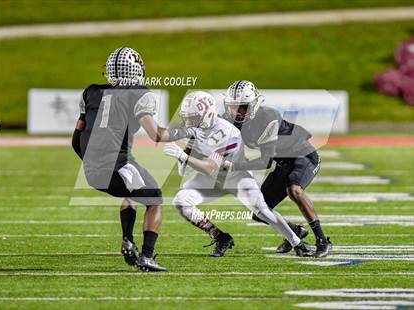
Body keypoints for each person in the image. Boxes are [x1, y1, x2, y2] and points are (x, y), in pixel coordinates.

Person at [71, 47, 191, 271]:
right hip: (119, 165)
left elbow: (76, 139)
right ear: (136, 70)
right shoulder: (138, 93)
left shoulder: (90, 92)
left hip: (92, 172)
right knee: (155, 200)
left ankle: (128, 240)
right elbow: (157, 134)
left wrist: (91, 164)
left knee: (131, 191)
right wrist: (185, 131)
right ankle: (146, 256)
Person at [163, 90, 314, 257]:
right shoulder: (197, 131)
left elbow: (210, 166)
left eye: (193, 117)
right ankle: (220, 237)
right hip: (212, 179)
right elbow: (184, 170)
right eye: (188, 118)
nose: (189, 122)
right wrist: (188, 149)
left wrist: (183, 155)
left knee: (262, 211)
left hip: (236, 177)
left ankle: (297, 242)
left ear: (206, 115)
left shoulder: (228, 131)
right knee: (181, 201)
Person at [223, 80, 332, 258]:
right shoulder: (231, 121)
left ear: (253, 104)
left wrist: (235, 166)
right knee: (260, 212)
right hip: (282, 162)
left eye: (242, 107)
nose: (237, 112)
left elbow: (265, 161)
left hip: (303, 156)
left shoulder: (268, 117)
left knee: (294, 189)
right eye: (233, 107)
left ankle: (322, 241)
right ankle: (295, 232)